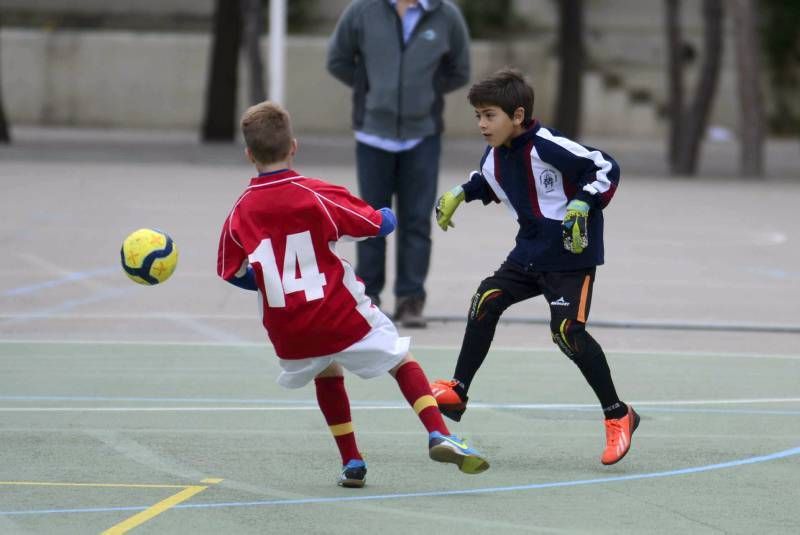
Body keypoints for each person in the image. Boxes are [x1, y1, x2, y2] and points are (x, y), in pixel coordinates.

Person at [216, 101, 489, 488]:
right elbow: (376, 224)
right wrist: (387, 214)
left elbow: (232, 270)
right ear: (293, 146)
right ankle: (437, 432)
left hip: (289, 330)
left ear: (248, 155)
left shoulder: (239, 211)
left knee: (327, 369)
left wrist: (267, 280)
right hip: (338, 314)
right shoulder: (315, 194)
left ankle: (353, 462)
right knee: (399, 356)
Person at [430, 68, 639, 466]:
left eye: (489, 115)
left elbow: (604, 167)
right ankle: (458, 390)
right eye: (477, 116)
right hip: (528, 254)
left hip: (569, 258)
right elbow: (489, 180)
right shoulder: (494, 154)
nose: (481, 124)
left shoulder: (549, 145)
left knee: (566, 332)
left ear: (518, 115)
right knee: (486, 299)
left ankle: (618, 414)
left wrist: (583, 202)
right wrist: (462, 192)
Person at [326, 0, 471, 328]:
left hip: (423, 136)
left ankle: (410, 299)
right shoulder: (362, 10)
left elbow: (460, 70)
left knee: (417, 220)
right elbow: (337, 60)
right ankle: (368, 297)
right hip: (373, 135)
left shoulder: (445, 15)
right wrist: (372, 90)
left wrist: (425, 93)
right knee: (370, 220)